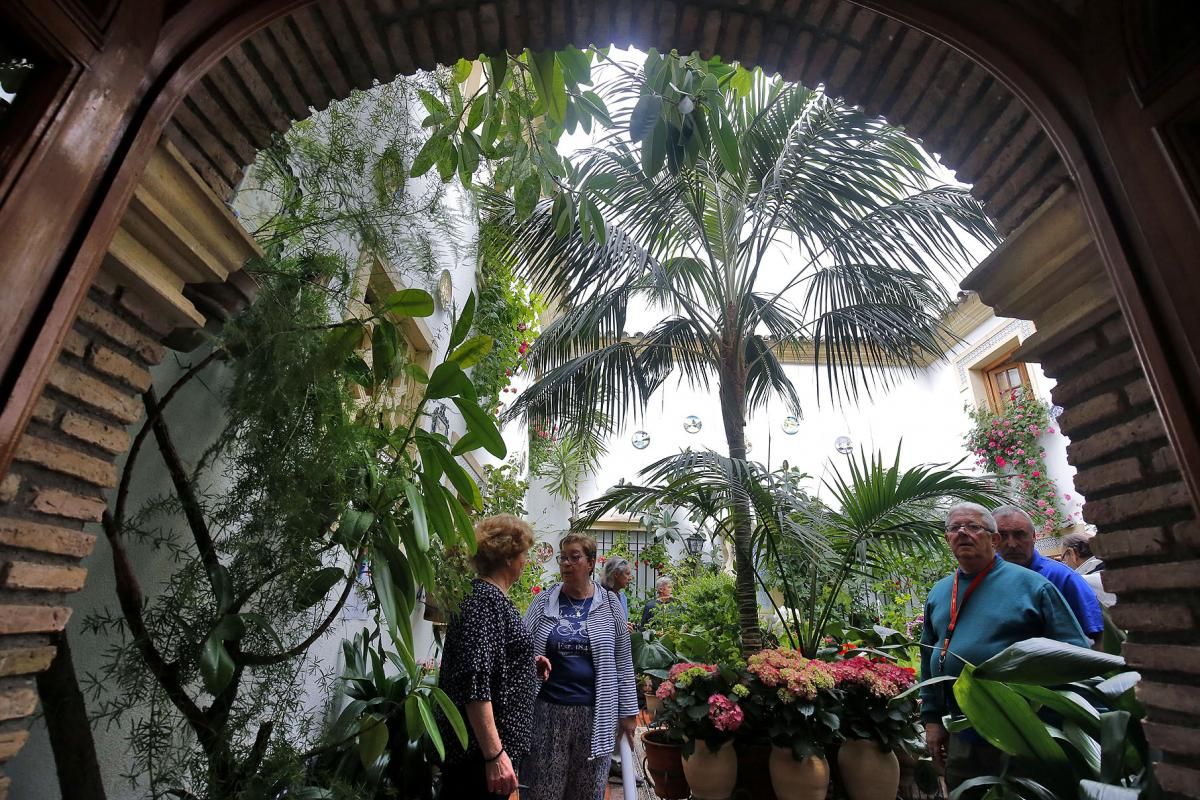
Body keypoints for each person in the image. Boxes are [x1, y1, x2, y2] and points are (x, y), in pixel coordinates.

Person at [921, 503, 1090, 795]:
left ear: (994, 539)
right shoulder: (939, 592)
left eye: (973, 527)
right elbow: (928, 657)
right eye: (954, 528)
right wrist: (933, 720)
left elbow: (1074, 656)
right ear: (947, 539)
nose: (963, 533)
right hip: (963, 734)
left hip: (1024, 732)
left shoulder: (1033, 586)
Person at [437, 515, 549, 799]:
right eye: (524, 554)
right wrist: (494, 755)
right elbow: (475, 686)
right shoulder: (484, 602)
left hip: (489, 756)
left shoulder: (490, 599)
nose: (526, 560)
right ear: (509, 558)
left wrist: (525, 664)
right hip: (477, 761)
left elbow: (490, 660)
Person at [523, 533, 639, 800]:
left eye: (574, 557)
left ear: (590, 563)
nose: (566, 563)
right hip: (547, 712)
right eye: (563, 558)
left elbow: (623, 660)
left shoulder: (610, 605)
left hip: (595, 714)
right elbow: (522, 648)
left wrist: (629, 712)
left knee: (587, 790)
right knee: (542, 789)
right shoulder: (544, 601)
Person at [992, 505, 1105, 644]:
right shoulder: (986, 580)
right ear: (992, 540)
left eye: (1019, 534)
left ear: (1034, 536)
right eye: (1002, 536)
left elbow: (1095, 635)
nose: (1012, 544)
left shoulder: (1062, 577)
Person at [1061, 531, 1116, 607]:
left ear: (1072, 553)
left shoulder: (1082, 582)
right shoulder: (1114, 571)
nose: (1065, 563)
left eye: (1063, 558)